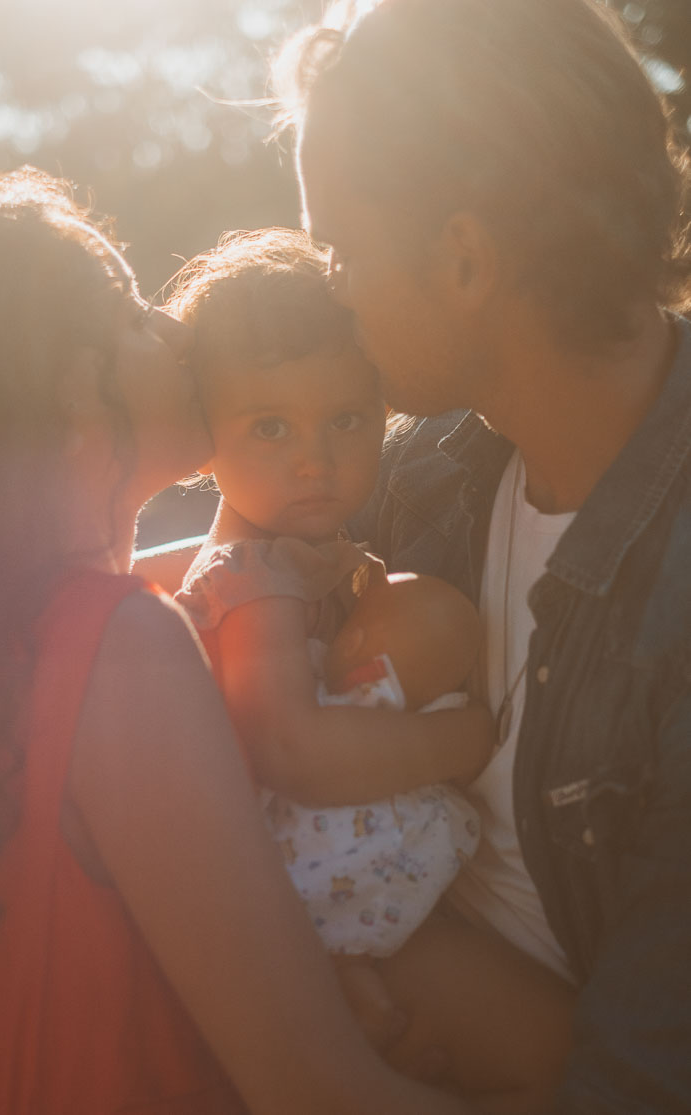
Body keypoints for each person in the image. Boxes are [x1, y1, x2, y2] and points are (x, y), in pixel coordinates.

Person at [0, 166, 474, 1113]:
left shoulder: (52, 622)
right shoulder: (120, 644)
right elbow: (318, 1089)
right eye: (135, 311)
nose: (177, 330)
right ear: (71, 389)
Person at [280, 0, 691, 1107]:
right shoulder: (430, 474)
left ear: (464, 257)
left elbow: (645, 1075)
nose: (335, 288)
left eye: (343, 248)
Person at [169, 228, 574, 1111]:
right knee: (557, 1054)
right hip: (322, 902)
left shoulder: (299, 552)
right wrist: (453, 740)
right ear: (205, 439)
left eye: (345, 419)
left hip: (346, 895)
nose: (315, 457)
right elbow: (289, 747)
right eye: (270, 426)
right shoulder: (255, 578)